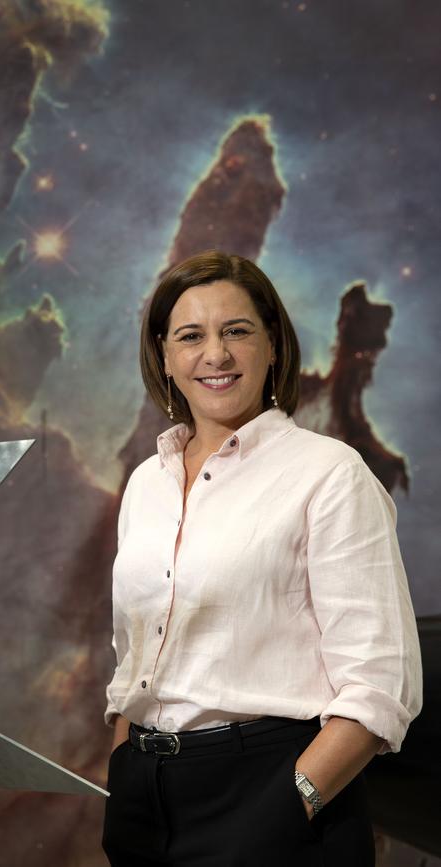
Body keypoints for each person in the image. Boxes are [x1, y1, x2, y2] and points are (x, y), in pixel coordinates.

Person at [102, 250, 423, 866]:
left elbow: (381, 685)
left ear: (272, 345)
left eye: (237, 331)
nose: (215, 355)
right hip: (145, 797)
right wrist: (124, 771)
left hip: (275, 793)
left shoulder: (329, 474)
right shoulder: (147, 482)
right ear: (165, 358)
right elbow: (133, 658)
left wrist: (291, 801)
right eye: (191, 336)